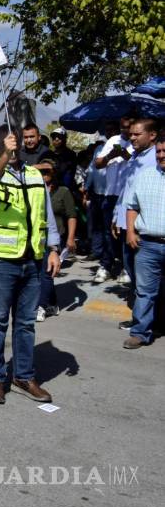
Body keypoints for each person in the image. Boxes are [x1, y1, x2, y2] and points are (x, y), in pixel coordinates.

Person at [0, 127, 61, 405]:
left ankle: (24, 375)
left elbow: (45, 213)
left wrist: (53, 249)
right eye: (8, 143)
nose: (14, 147)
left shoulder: (35, 174)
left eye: (17, 143)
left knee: (25, 324)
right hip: (0, 261)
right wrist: (4, 157)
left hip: (32, 261)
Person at [112, 118, 160, 327]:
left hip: (141, 228)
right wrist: (117, 215)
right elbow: (127, 190)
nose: (131, 137)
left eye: (136, 134)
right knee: (133, 273)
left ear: (152, 135)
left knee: (144, 280)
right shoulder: (136, 157)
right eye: (130, 134)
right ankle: (142, 319)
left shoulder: (154, 160)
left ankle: (148, 321)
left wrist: (133, 227)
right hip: (126, 223)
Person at [123, 134, 165, 349]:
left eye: (164, 151)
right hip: (147, 244)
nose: (161, 155)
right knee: (145, 291)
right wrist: (130, 231)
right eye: (158, 151)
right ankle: (140, 333)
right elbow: (132, 207)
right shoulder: (145, 175)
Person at [35, 158, 78, 321]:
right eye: (40, 171)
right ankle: (52, 304)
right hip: (35, 237)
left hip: (54, 237)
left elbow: (72, 216)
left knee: (46, 273)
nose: (43, 174)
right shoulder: (33, 188)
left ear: (54, 172)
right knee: (40, 273)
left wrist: (71, 238)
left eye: (47, 171)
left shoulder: (63, 191)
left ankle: (41, 306)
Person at [93, 116, 134, 283]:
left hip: (127, 196)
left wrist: (123, 154)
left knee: (126, 233)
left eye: (128, 127)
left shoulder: (137, 142)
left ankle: (126, 267)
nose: (125, 131)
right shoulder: (113, 140)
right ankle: (106, 265)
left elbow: (138, 162)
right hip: (110, 195)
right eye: (123, 127)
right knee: (107, 233)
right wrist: (110, 155)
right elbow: (98, 163)